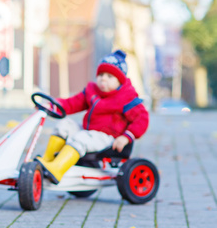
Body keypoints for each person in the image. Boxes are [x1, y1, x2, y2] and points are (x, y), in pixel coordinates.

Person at [36, 49, 149, 184]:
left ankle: (57, 169)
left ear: (120, 81)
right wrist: (53, 106)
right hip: (89, 133)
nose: (103, 79)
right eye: (101, 74)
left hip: (108, 138)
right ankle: (48, 160)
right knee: (65, 125)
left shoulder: (126, 97)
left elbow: (142, 118)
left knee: (81, 138)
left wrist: (126, 137)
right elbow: (72, 103)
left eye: (109, 76)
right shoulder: (92, 91)